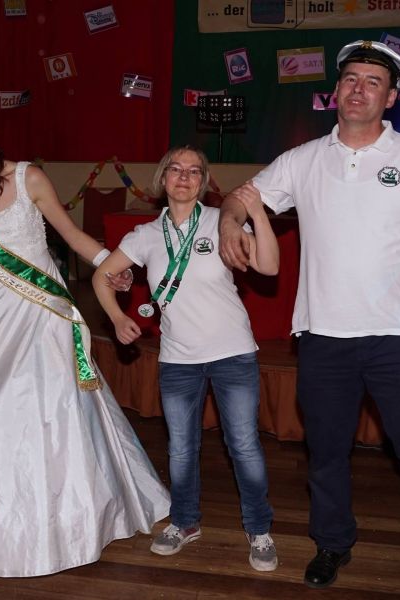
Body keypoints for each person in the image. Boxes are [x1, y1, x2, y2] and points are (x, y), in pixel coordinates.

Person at [218, 41, 400, 600]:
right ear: (336, 91)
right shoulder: (303, 159)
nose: (358, 89)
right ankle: (331, 542)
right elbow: (240, 197)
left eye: (373, 82)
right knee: (326, 455)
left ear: (391, 98)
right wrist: (232, 222)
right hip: (324, 338)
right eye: (350, 78)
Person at [0, 104, 170, 578]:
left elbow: (71, 236)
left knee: (48, 413)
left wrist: (112, 265)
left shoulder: (28, 178)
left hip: (42, 314)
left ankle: (64, 523)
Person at [92, 146, 280, 572]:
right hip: (177, 360)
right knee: (180, 448)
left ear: (203, 181)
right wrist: (117, 318)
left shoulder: (221, 221)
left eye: (194, 171)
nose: (183, 176)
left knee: (244, 445)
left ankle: (259, 529)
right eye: (175, 169)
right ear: (163, 178)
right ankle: (184, 521)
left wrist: (257, 213)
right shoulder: (144, 235)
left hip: (233, 353)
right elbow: (103, 276)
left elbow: (269, 267)